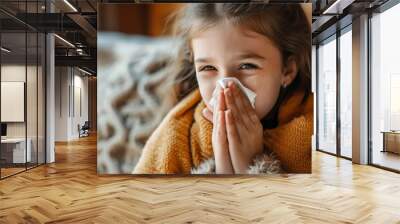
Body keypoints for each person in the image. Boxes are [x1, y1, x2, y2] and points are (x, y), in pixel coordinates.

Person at [133, 3, 313, 174]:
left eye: (247, 66)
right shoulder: (176, 137)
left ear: (287, 70)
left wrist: (251, 166)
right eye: (208, 68)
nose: (225, 86)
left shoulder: (316, 133)